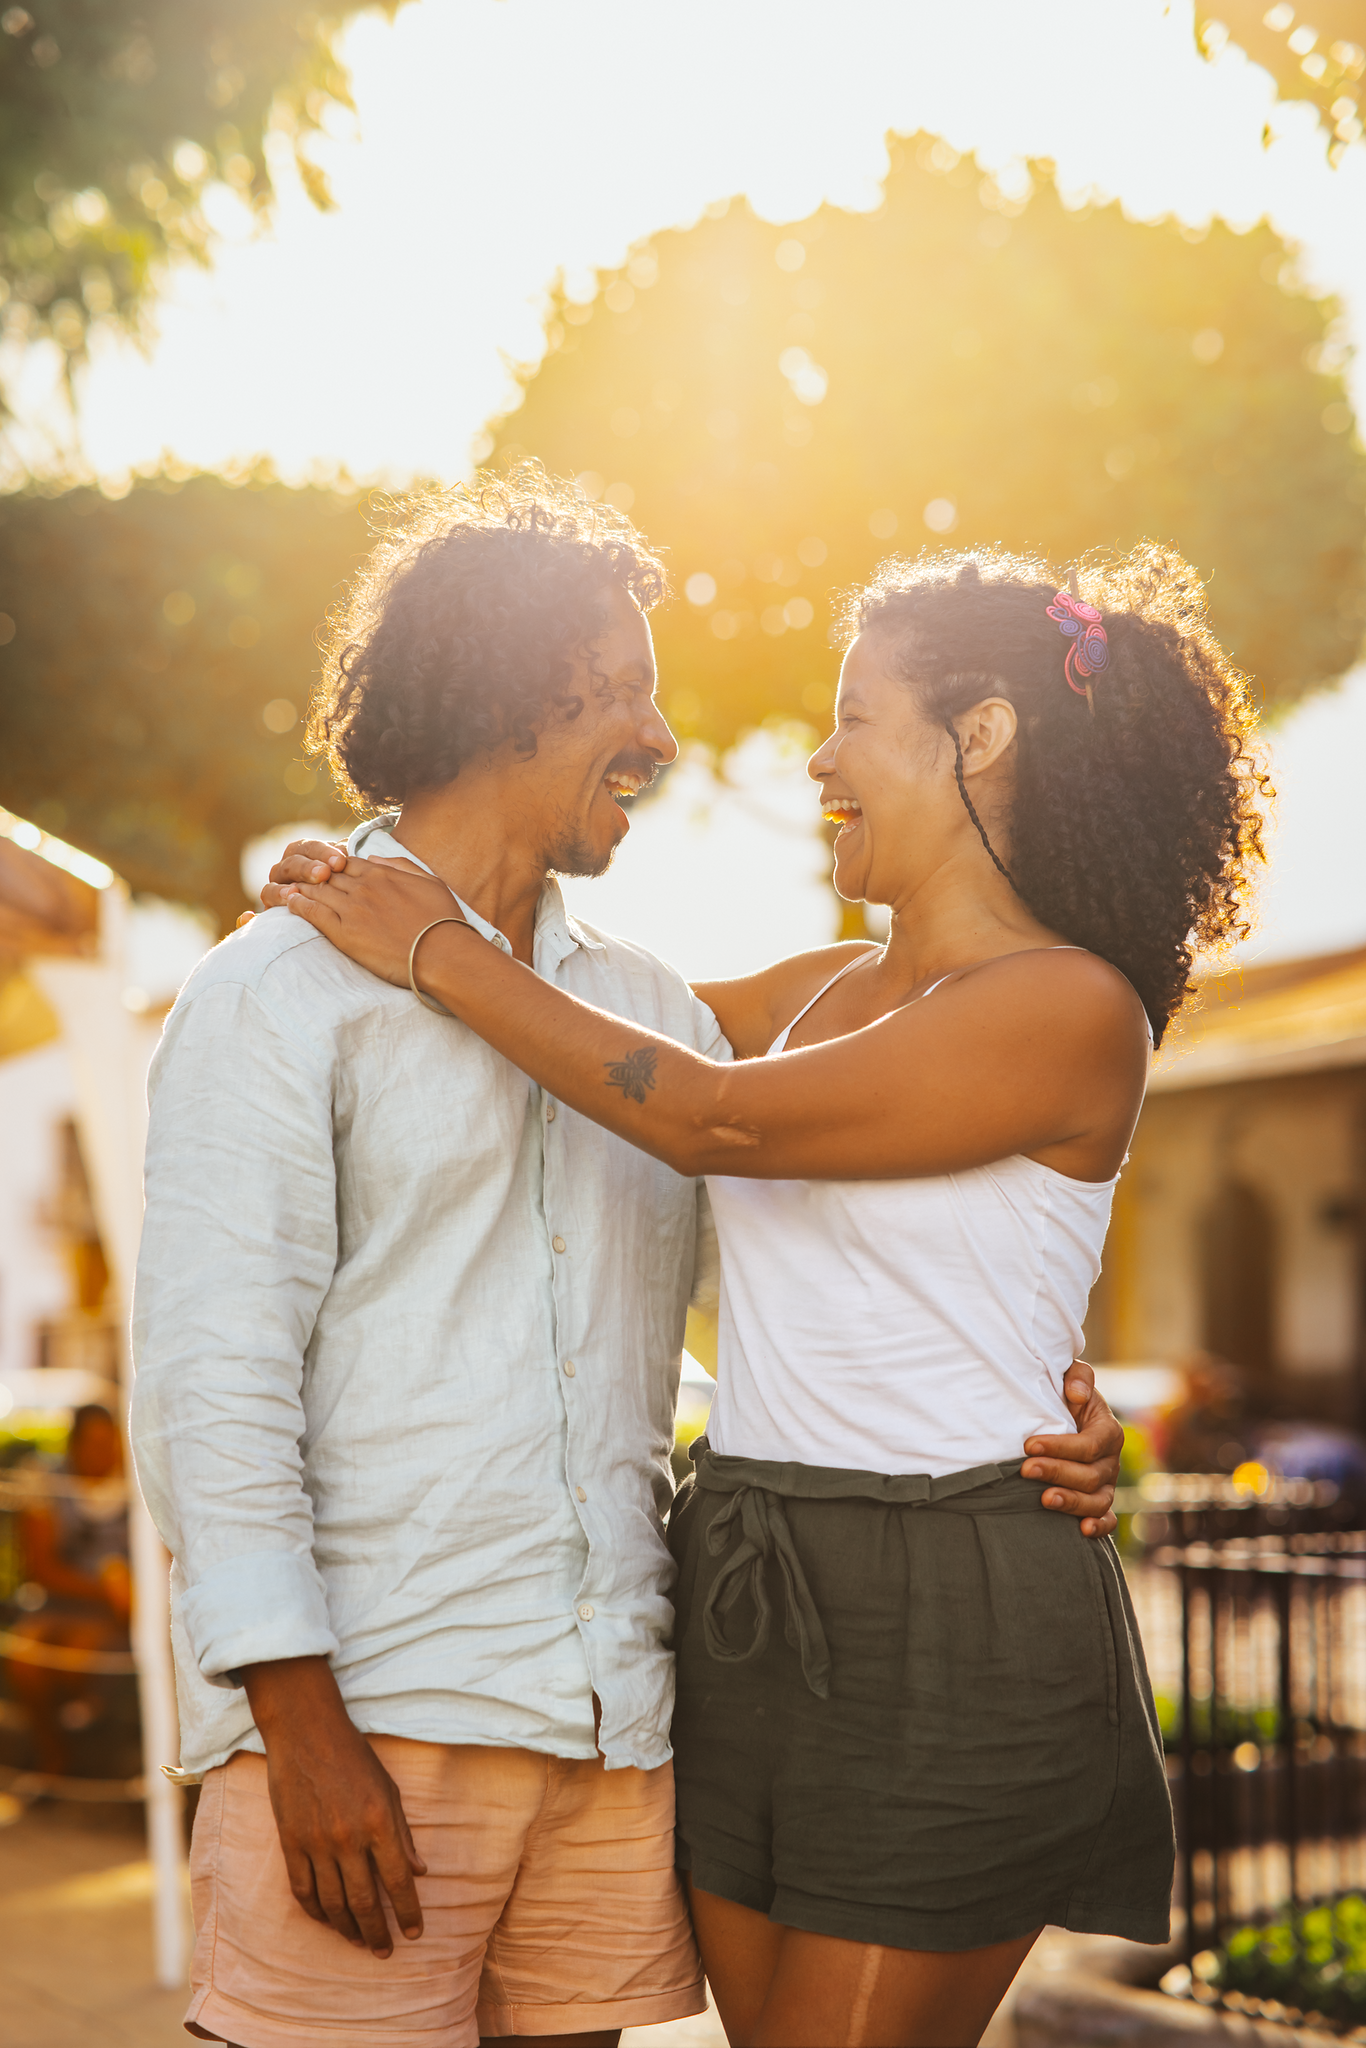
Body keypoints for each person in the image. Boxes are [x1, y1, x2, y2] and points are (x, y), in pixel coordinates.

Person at [133, 474, 1120, 2048]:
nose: (663, 740)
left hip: (616, 1731)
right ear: (518, 696)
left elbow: (790, 1196)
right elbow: (210, 1389)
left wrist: (1027, 1401)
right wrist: (293, 1724)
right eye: (628, 695)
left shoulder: (650, 1019)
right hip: (377, 1720)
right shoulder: (274, 1000)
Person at [4, 1403, 131, 1778]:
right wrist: (105, 1588)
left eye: (108, 1442)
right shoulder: (47, 1482)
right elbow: (40, 1568)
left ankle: (78, 1734)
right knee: (27, 1659)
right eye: (92, 1442)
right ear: (74, 1444)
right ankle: (53, 1754)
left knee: (78, 1656)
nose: (101, 1451)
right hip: (60, 1604)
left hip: (112, 1615)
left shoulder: (136, 1485)